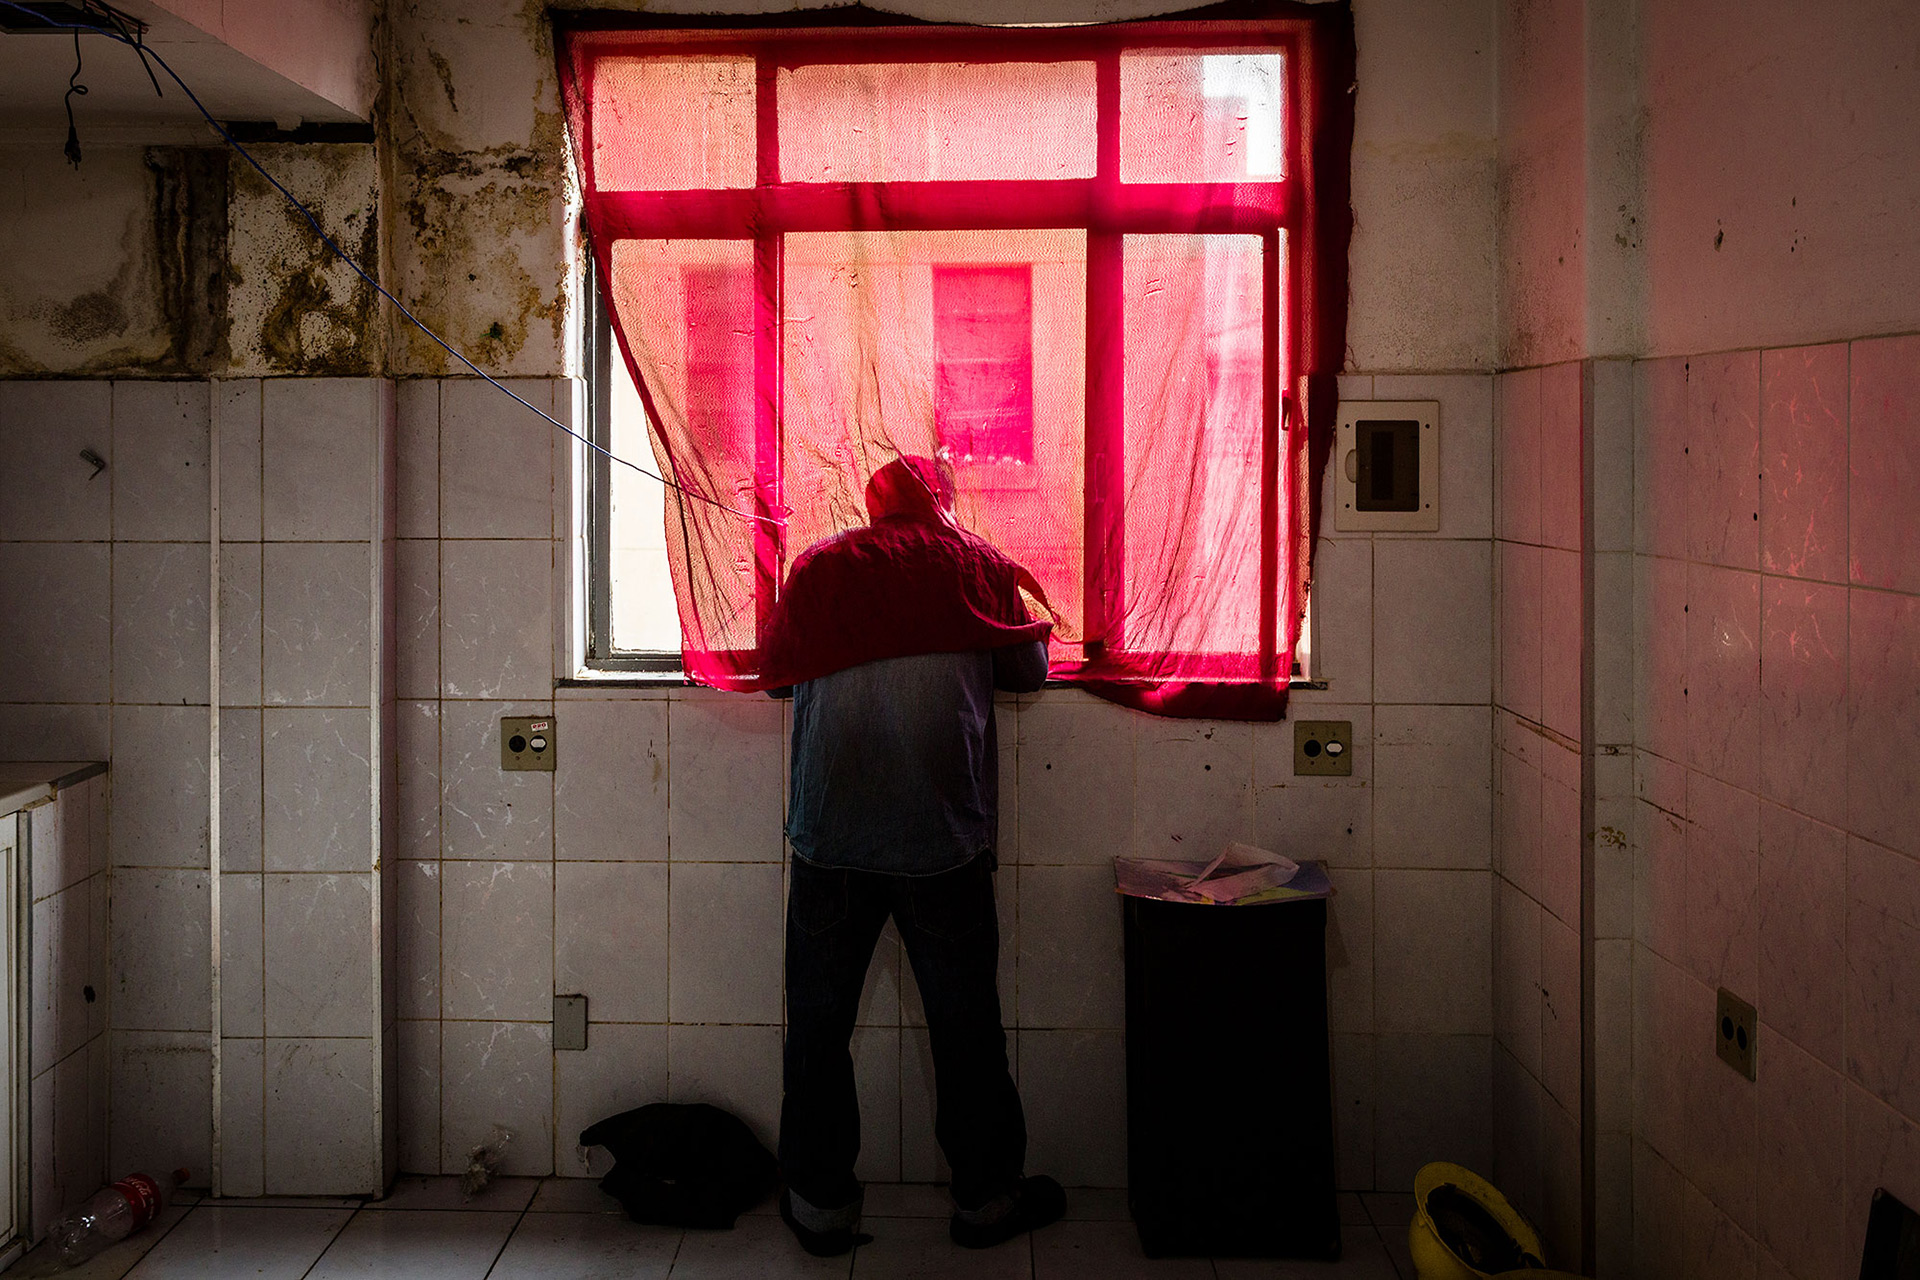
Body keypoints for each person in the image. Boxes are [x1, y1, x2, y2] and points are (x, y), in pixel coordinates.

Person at [764, 455, 1066, 1256]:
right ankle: (987, 1205)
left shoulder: (822, 567)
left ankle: (822, 1210)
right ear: (945, 504)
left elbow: (776, 679)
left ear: (873, 508)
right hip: (941, 841)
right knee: (966, 1031)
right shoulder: (973, 564)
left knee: (819, 1030)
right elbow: (1029, 670)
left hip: (832, 838)